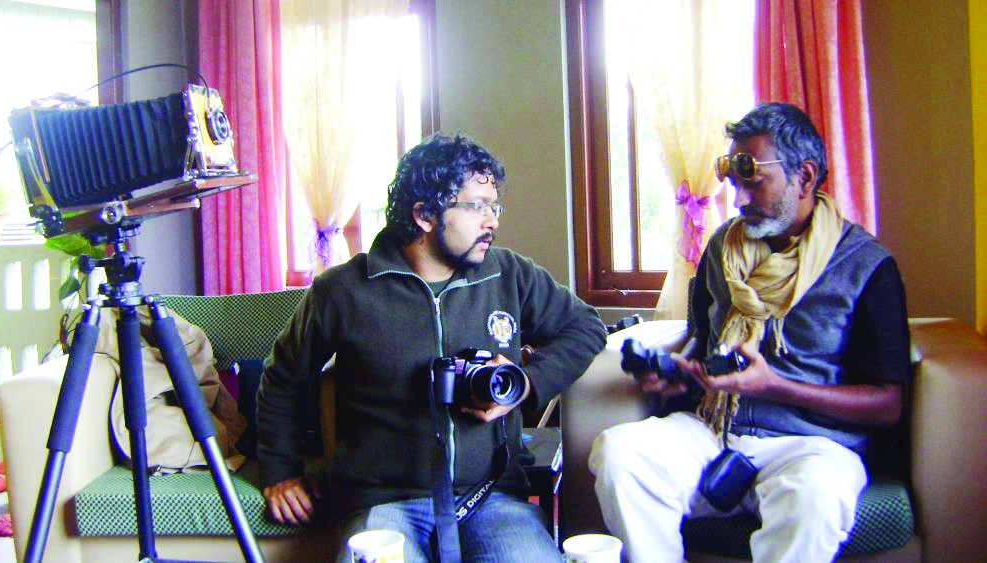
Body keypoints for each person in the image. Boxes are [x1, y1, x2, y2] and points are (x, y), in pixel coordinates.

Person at [257, 132, 607, 562]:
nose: (492, 221)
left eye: (494, 206)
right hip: (384, 503)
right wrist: (281, 471)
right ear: (424, 215)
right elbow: (284, 377)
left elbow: (586, 326)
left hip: (493, 498)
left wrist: (526, 383)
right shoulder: (343, 291)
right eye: (476, 206)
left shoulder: (510, 275)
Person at [589, 102, 911, 563]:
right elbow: (702, 342)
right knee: (621, 454)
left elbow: (887, 405)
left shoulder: (865, 266)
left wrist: (776, 386)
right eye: (735, 181)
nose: (738, 199)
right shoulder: (722, 247)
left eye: (753, 180)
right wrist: (681, 375)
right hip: (714, 429)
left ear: (804, 176)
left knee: (814, 499)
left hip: (813, 445)